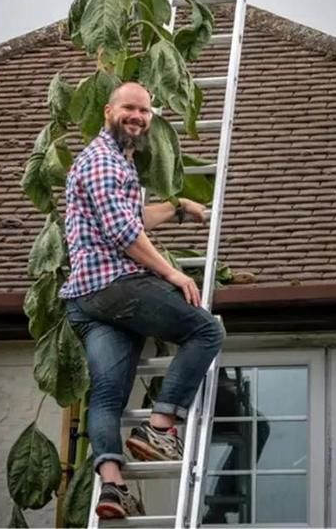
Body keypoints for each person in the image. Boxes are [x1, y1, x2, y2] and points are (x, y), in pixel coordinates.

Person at [60, 81, 225, 520]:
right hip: (114, 286)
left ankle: (112, 489)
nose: (138, 116)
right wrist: (171, 272)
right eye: (129, 108)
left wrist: (176, 208)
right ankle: (161, 426)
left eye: (145, 111)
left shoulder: (115, 163)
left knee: (108, 395)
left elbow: (128, 215)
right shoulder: (101, 161)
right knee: (206, 330)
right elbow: (124, 234)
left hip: (88, 300)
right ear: (108, 112)